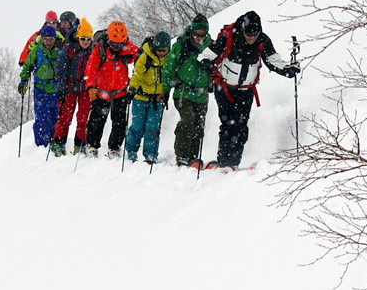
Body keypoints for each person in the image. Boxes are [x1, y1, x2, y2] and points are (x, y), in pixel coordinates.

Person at [199, 10, 298, 170]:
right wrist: (205, 63)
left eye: (255, 34)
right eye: (248, 34)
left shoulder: (262, 40)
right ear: (243, 30)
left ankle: (234, 162)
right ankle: (224, 162)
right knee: (229, 124)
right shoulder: (229, 37)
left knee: (242, 127)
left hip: (246, 90)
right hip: (224, 88)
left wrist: (287, 69)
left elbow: (272, 60)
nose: (252, 38)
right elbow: (207, 54)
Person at [83, 20, 138, 157]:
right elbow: (91, 69)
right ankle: (92, 145)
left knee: (120, 124)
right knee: (96, 122)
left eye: (120, 44)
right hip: (101, 93)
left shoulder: (128, 48)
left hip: (120, 93)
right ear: (108, 39)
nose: (117, 47)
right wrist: (90, 87)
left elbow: (141, 56)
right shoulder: (99, 49)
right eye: (114, 43)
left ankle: (114, 148)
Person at [164, 14, 212, 168]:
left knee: (199, 125)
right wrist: (165, 89)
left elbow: (217, 65)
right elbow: (168, 68)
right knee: (187, 120)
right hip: (182, 92)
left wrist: (213, 78)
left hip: (201, 93)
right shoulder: (180, 45)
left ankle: (193, 157)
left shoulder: (211, 46)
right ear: (191, 31)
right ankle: (182, 156)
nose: (199, 37)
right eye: (196, 34)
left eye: (202, 35)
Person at [125, 30, 172, 163]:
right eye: (159, 49)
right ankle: (131, 151)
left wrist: (167, 90)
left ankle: (151, 154)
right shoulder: (145, 57)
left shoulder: (169, 59)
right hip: (140, 97)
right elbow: (137, 74)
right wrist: (132, 89)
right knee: (137, 127)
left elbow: (171, 76)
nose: (162, 52)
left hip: (158, 99)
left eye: (165, 50)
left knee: (153, 128)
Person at [51, 17, 95, 155]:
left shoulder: (93, 51)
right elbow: (60, 70)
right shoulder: (67, 50)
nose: (85, 42)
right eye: (83, 39)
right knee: (65, 116)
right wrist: (61, 87)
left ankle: (80, 143)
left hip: (85, 87)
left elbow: (95, 70)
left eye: (88, 39)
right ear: (77, 36)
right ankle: (58, 142)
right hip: (69, 86)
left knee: (83, 117)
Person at [19, 24, 62, 151]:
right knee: (42, 117)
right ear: (42, 39)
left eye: (51, 39)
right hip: (40, 88)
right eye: (46, 39)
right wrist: (23, 81)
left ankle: (53, 142)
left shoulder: (60, 52)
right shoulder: (36, 51)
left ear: (55, 39)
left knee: (55, 117)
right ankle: (42, 146)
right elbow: (27, 67)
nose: (49, 42)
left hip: (55, 89)